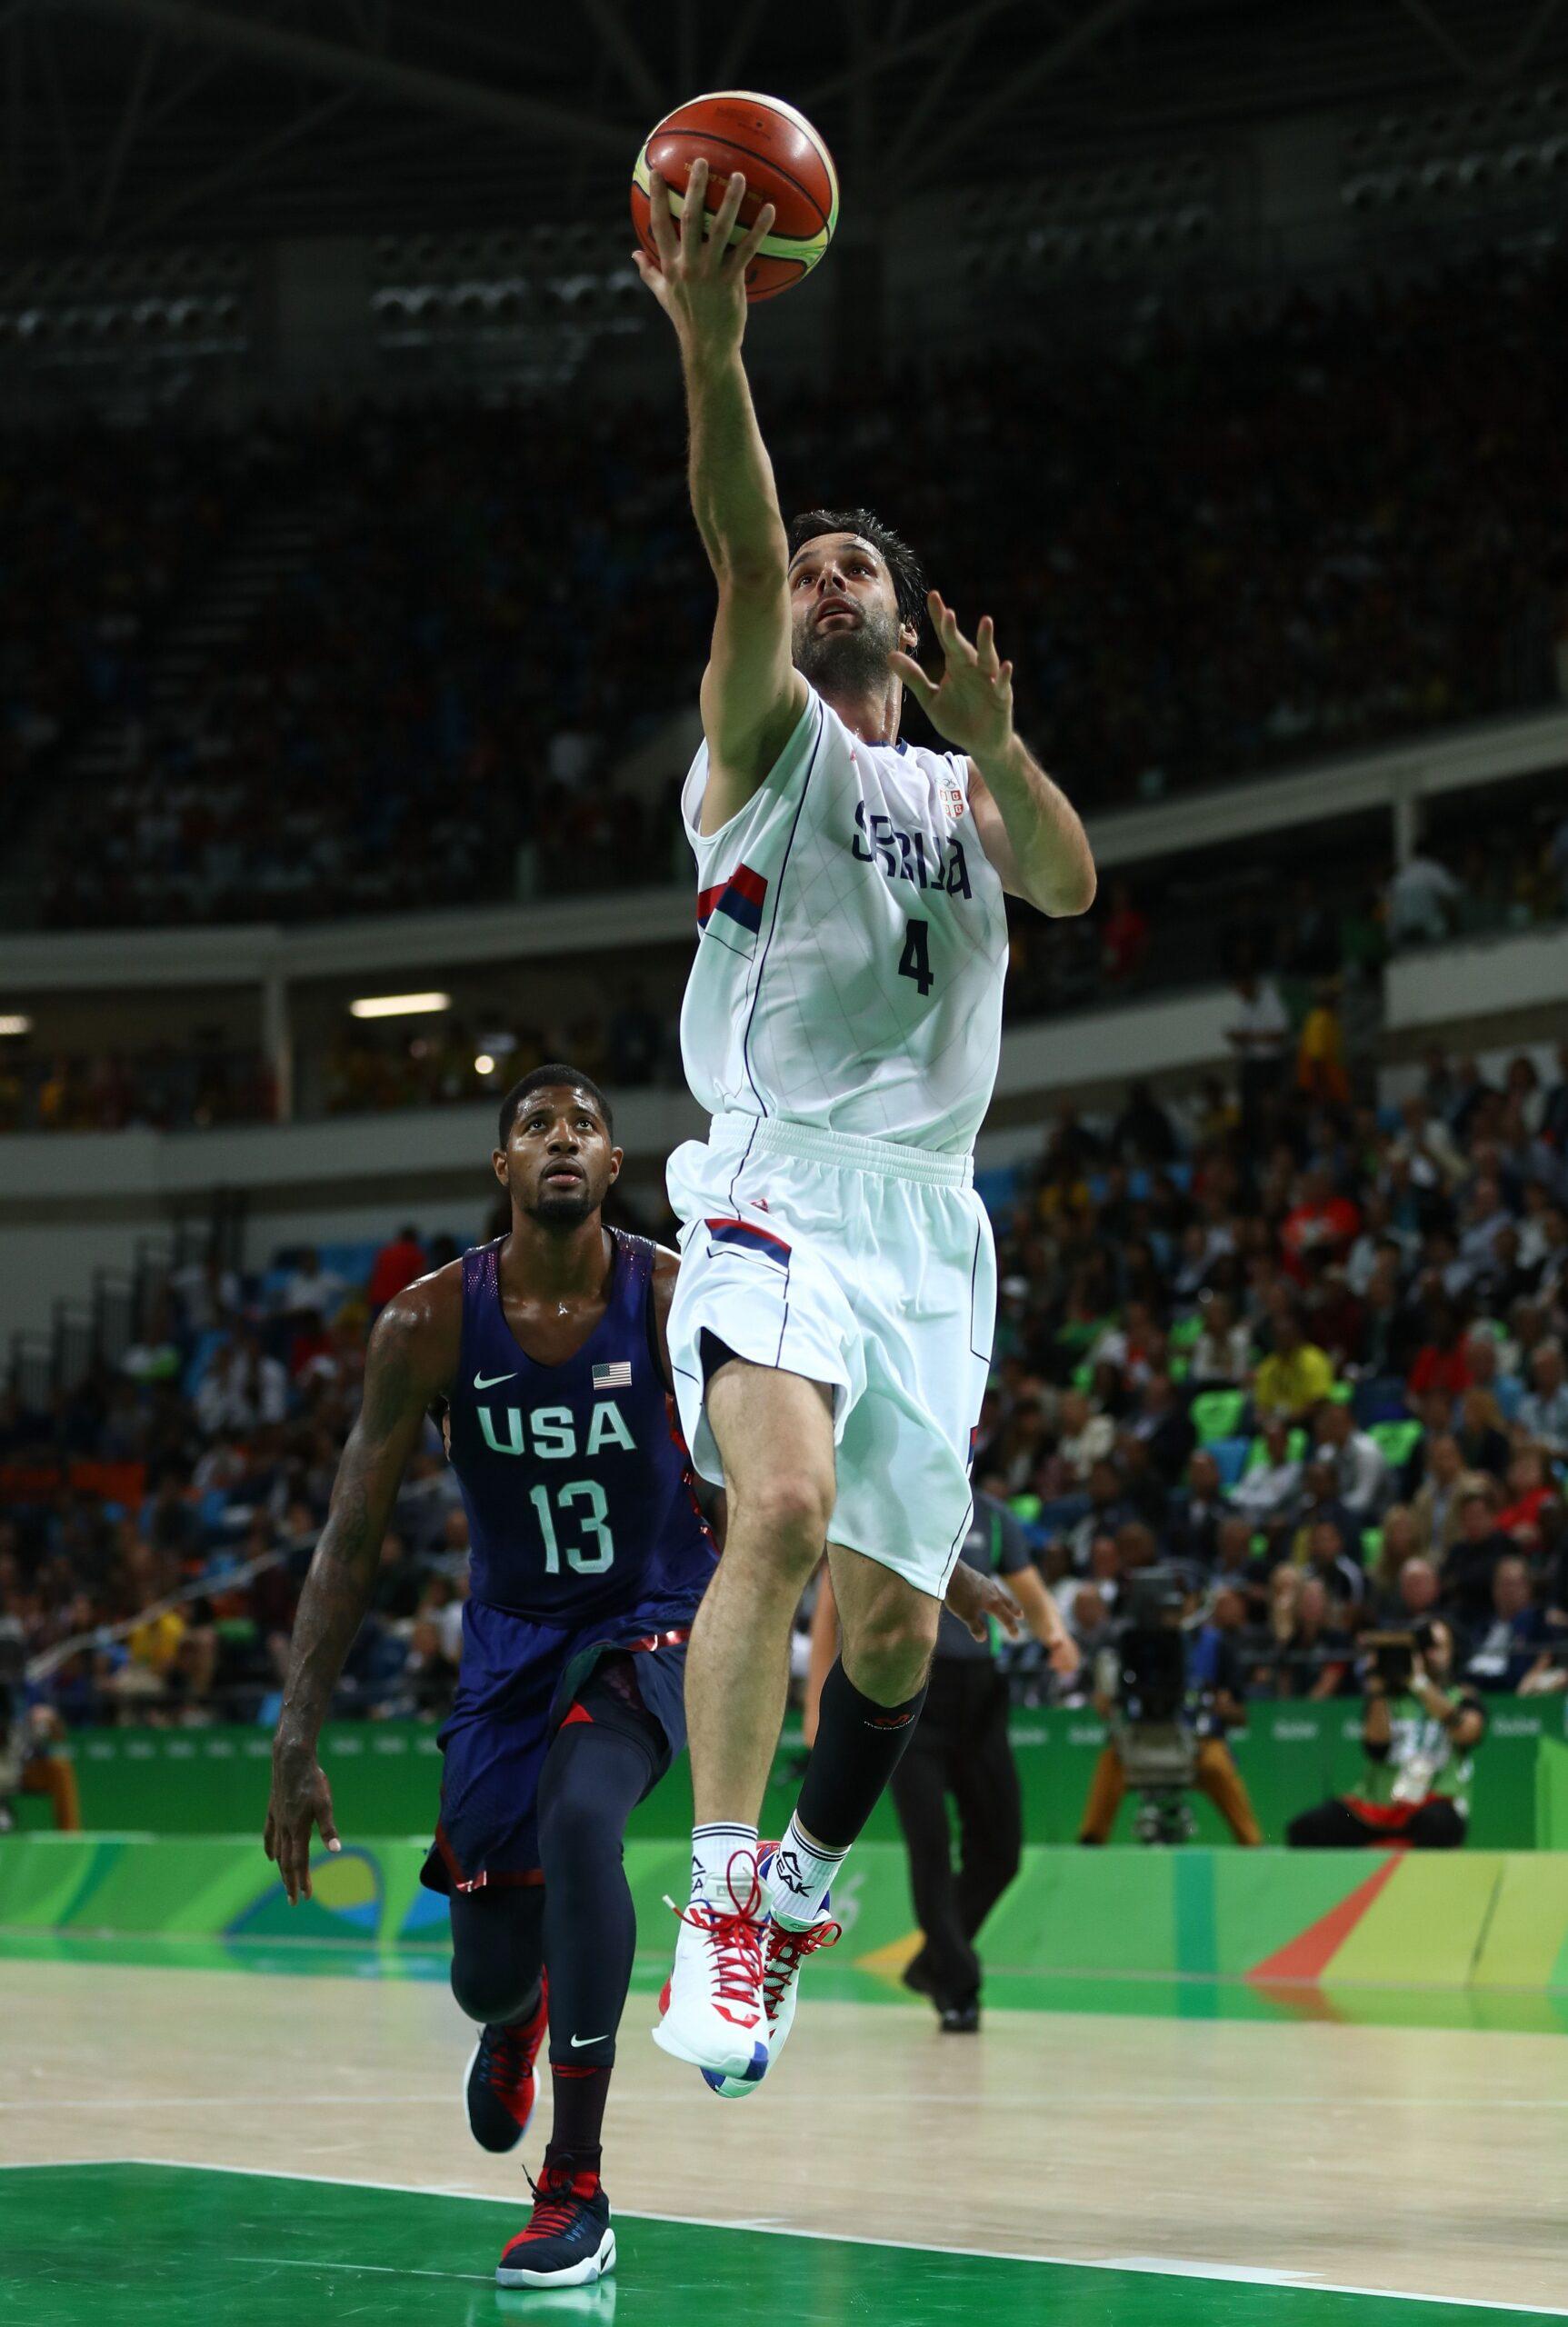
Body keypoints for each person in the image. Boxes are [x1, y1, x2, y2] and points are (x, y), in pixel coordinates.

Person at [262, 1064, 1007, 2286]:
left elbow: (787, 1461)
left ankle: (577, 2186)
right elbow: (351, 1536)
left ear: (615, 1165)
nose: (562, 1138)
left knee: (583, 1817)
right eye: (535, 1125)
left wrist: (940, 1563)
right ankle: (519, 2014)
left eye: (585, 1125)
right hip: (511, 1641)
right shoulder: (426, 1325)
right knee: (486, 1974)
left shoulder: (678, 1295)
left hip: (656, 1619)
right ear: (503, 1167)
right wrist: (297, 1734)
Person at [633, 161, 1095, 2087]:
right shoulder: (764, 743)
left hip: (926, 1220)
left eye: (860, 573)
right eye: (817, 567)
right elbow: (740, 553)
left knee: (895, 1638)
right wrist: (714, 347)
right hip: (769, 1176)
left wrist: (999, 740)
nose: (827, 581)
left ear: (911, 623)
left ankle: (808, 1882)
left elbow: (1068, 885)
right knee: (785, 1508)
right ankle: (719, 1903)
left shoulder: (969, 792)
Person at [857, 1490, 1078, 2032]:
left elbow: (1029, 1589)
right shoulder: (892, 1499)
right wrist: (821, 1695)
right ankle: (958, 1984)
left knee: (1001, 1851)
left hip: (981, 1698)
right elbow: (832, 1611)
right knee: (930, 1847)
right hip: (909, 1691)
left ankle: (934, 1962)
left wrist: (1056, 1635)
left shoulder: (995, 1518)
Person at [1286, 1618, 1483, 1847]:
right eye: (1422, 1647)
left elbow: (1467, 1732)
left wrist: (1419, 1683)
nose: (1429, 1654)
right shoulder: (1388, 1699)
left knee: (1437, 1824)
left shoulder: (1462, 1697)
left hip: (1435, 1801)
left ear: (1453, 1653)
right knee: (1308, 1828)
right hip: (1378, 1805)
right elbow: (1376, 1748)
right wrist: (1378, 1687)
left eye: (1437, 1647)